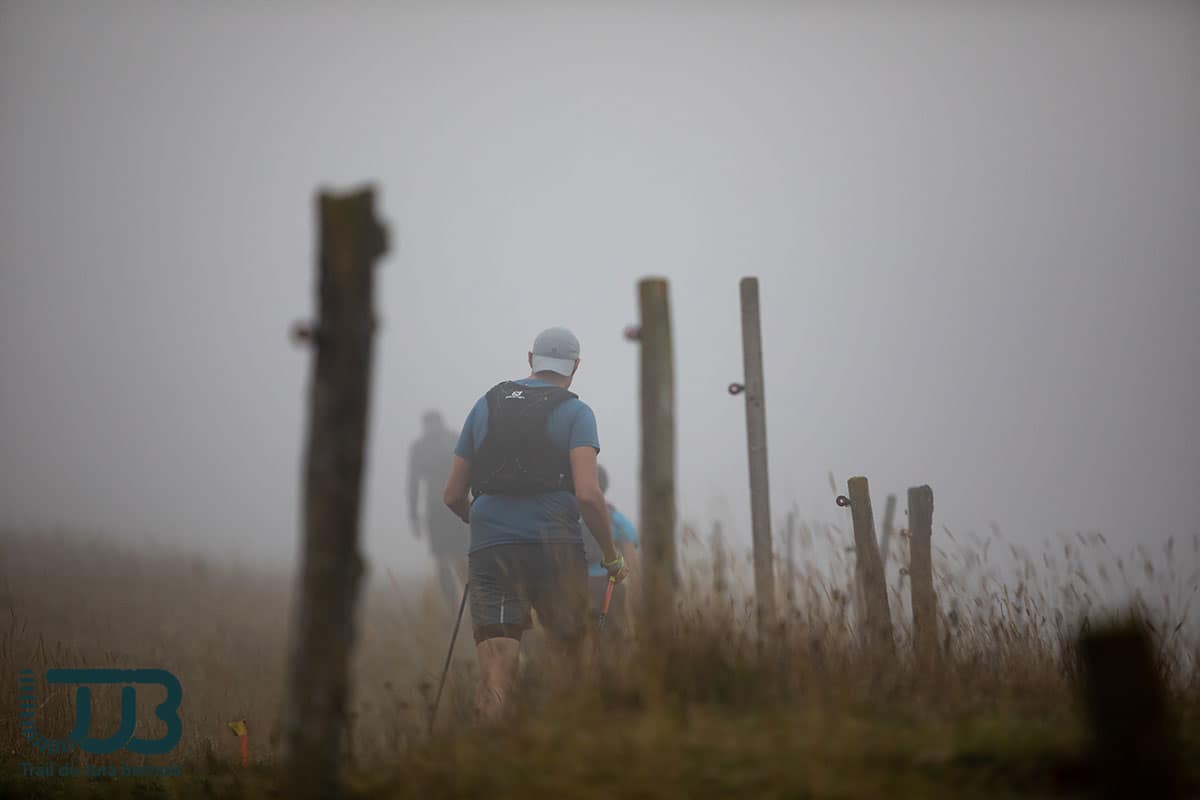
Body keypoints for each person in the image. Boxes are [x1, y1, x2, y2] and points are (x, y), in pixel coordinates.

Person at [441, 326, 629, 722]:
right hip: (555, 548)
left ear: (530, 359)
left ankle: (491, 748)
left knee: (497, 670)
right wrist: (612, 557)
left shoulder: (485, 405)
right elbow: (588, 494)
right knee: (570, 661)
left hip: (493, 551)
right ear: (575, 366)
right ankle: (563, 743)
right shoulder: (577, 413)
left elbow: (453, 495)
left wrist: (484, 524)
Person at [408, 410, 466, 610]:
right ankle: (455, 606)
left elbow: (468, 468)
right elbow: (413, 482)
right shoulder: (422, 447)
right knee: (444, 560)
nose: (431, 428)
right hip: (441, 508)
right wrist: (413, 516)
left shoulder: (449, 440)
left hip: (453, 506)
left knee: (458, 558)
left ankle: (468, 604)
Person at [582, 465, 639, 636]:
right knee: (616, 635)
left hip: (579, 587)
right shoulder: (616, 519)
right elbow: (631, 559)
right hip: (611, 586)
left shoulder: (571, 518)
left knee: (584, 636)